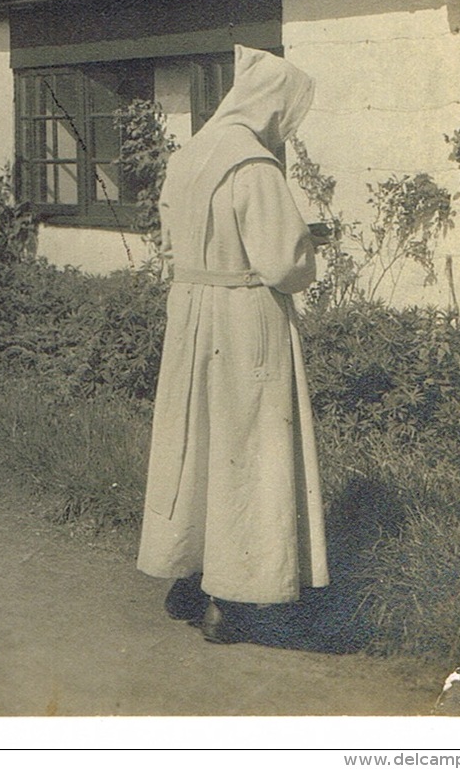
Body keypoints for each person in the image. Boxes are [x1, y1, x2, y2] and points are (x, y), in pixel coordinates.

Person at [137, 45, 329, 644]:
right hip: (244, 318)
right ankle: (234, 597)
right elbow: (282, 262)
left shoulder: (189, 155)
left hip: (192, 310)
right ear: (271, 106)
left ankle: (186, 576)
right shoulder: (254, 166)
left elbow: (173, 244)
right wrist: (309, 245)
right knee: (248, 447)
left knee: (195, 441)